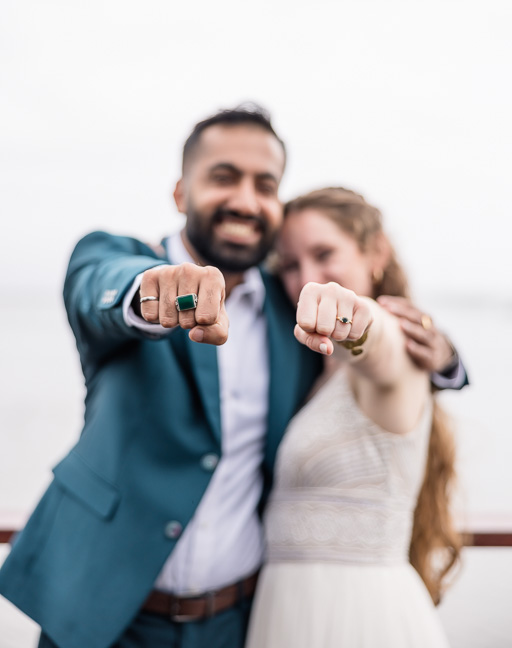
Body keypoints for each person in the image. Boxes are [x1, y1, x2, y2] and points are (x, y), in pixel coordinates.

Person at [0, 106, 466, 648]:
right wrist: (153, 293)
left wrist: (444, 357)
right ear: (181, 193)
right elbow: (98, 289)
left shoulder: (285, 301)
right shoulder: (120, 260)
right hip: (103, 614)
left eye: (264, 185)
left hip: (238, 621)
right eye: (224, 177)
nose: (245, 200)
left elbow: (377, 350)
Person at [245, 186, 462, 648]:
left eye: (325, 254)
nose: (307, 278)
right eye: (290, 264)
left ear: (375, 252)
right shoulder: (311, 370)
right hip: (286, 612)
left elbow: (375, 343)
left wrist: (357, 321)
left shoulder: (399, 348)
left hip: (356, 617)